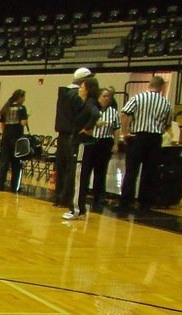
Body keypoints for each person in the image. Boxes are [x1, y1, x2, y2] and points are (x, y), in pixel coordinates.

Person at [117, 75, 173, 214]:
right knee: (150, 173)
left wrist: (125, 133)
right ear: (161, 87)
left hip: (138, 137)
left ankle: (125, 203)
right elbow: (167, 124)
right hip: (155, 138)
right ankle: (145, 204)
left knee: (131, 171)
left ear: (149, 84)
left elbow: (124, 114)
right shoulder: (166, 103)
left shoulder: (138, 97)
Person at [73, 87, 120, 216]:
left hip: (105, 142)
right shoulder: (92, 109)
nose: (106, 99)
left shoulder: (113, 112)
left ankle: (98, 198)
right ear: (98, 97)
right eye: (104, 96)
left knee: (101, 171)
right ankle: (82, 196)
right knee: (86, 170)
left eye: (109, 97)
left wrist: (116, 144)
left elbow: (116, 129)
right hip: (91, 141)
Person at [62, 76, 103, 221]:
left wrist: (87, 128)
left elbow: (96, 114)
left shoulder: (90, 103)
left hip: (83, 144)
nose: (79, 89)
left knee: (79, 177)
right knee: (78, 176)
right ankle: (79, 208)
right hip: (79, 142)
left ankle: (77, 210)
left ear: (87, 89)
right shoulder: (84, 103)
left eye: (81, 87)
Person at [53, 66, 91, 208]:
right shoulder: (77, 96)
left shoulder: (63, 93)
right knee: (71, 168)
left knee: (61, 167)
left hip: (62, 135)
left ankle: (58, 197)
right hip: (72, 135)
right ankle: (66, 198)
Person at [0, 89, 29, 192]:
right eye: (24, 97)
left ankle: (0, 185)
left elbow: (2, 125)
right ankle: (14, 187)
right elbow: (23, 123)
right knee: (16, 163)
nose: (24, 99)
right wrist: (27, 118)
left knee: (3, 163)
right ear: (20, 98)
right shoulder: (21, 108)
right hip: (16, 139)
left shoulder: (6, 108)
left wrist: (6, 133)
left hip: (6, 138)